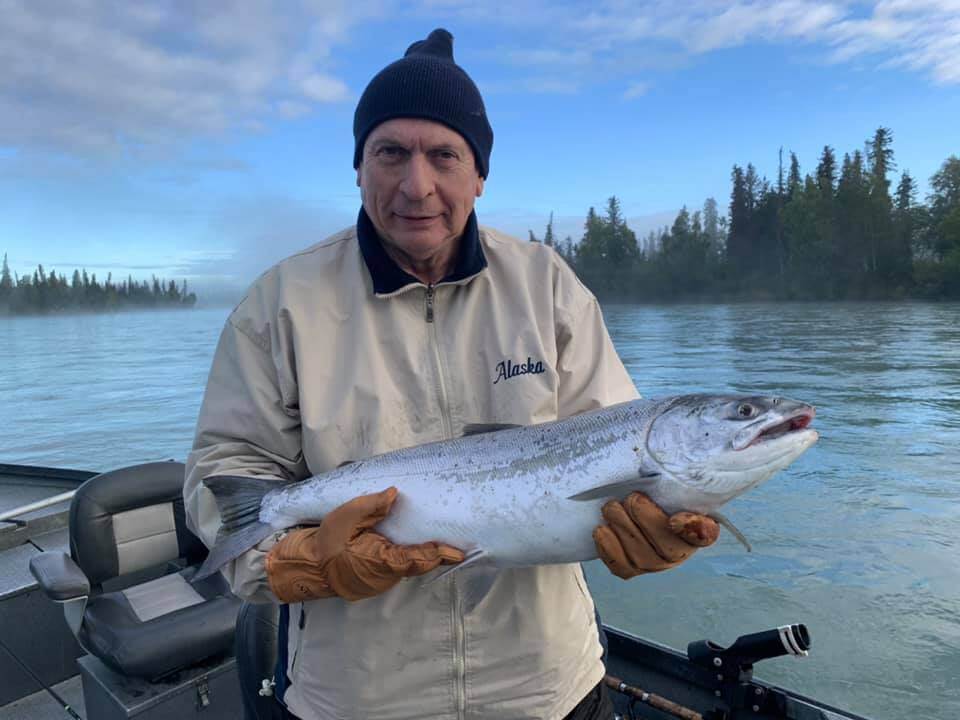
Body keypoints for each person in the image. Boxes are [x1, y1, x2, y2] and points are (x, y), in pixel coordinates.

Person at [184, 28, 719, 720]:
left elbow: (618, 441)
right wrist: (298, 560)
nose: (417, 185)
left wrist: (656, 523)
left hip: (545, 690)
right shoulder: (280, 304)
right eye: (390, 153)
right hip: (358, 699)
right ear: (358, 166)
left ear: (479, 174)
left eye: (443, 155)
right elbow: (221, 473)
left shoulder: (546, 288)